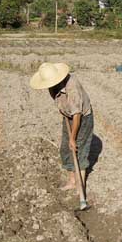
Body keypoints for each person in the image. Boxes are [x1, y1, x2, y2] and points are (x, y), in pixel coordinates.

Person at [30, 62, 94, 210]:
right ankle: (72, 182)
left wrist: (73, 138)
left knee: (78, 149)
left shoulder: (72, 88)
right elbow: (61, 104)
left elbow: (77, 114)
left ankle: (80, 188)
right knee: (65, 149)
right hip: (69, 116)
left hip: (82, 118)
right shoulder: (52, 86)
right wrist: (64, 116)